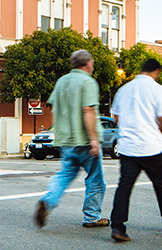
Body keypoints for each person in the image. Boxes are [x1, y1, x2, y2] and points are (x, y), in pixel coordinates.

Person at [109, 58, 162, 242]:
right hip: (152, 147)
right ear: (157, 72)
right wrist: (161, 137)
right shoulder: (160, 91)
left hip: (128, 148)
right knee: (161, 185)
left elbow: (116, 117)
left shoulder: (124, 90)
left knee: (124, 187)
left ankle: (118, 227)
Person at [34, 50, 108, 229]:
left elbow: (53, 108)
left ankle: (48, 200)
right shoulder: (87, 82)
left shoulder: (61, 81)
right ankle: (92, 217)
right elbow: (88, 110)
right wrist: (93, 140)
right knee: (95, 179)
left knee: (65, 174)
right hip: (84, 140)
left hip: (65, 140)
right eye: (92, 62)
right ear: (88, 64)